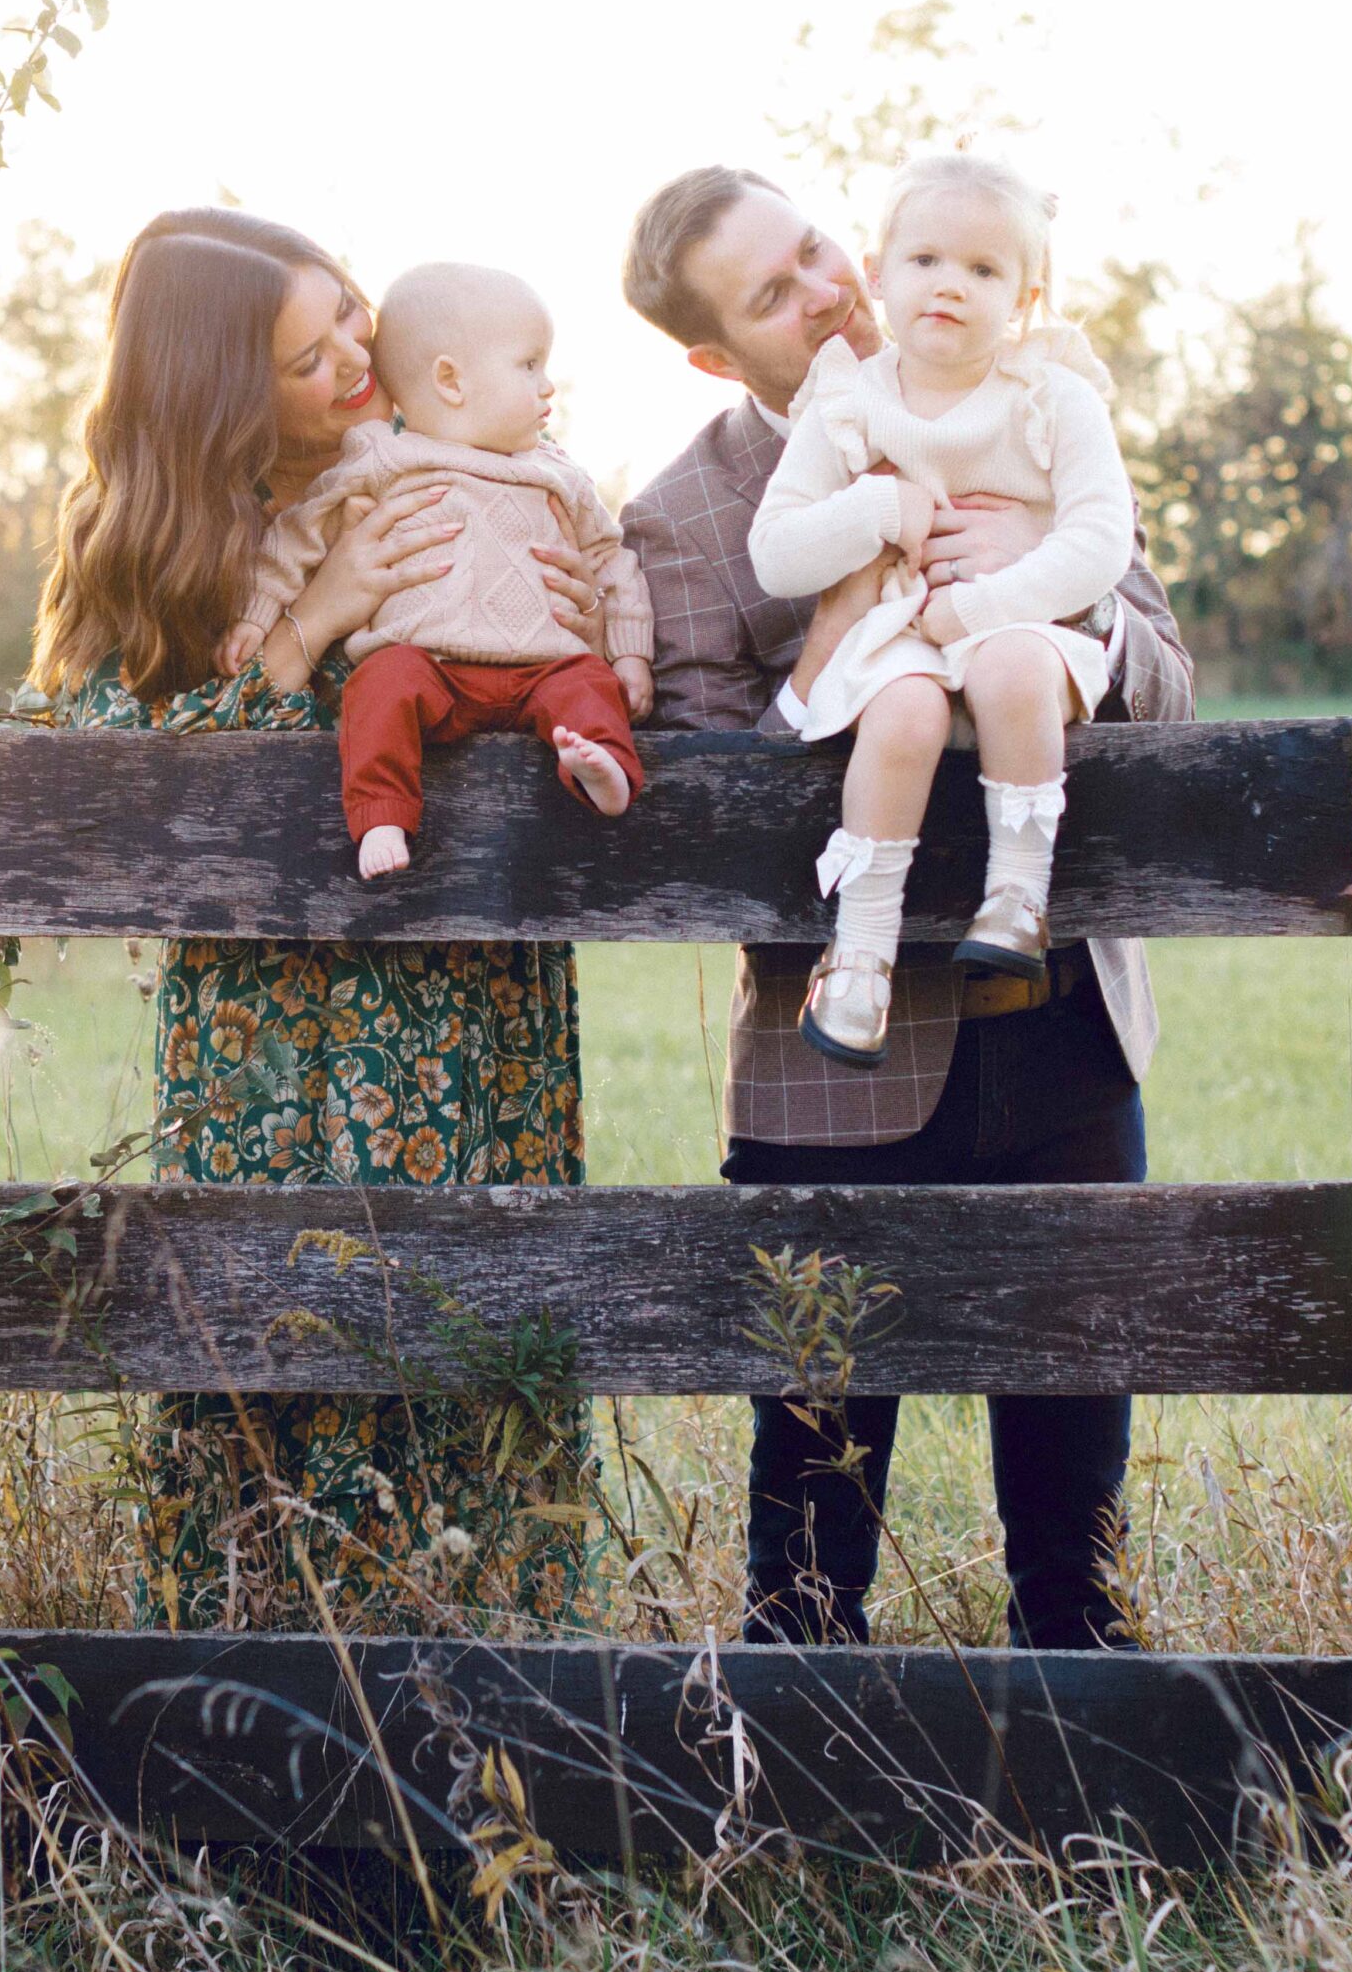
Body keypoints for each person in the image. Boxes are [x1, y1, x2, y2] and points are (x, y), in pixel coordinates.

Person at [618, 166, 1195, 1652]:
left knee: (1075, 1451)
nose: (828, 291)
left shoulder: (1040, 383)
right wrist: (839, 643)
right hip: (836, 1050)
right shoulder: (684, 519)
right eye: (771, 292)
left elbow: (1170, 678)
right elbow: (707, 824)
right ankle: (802, 1779)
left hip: (1061, 1008)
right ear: (709, 352)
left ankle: (1087, 1762)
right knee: (813, 1470)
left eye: (816, 248)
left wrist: (1052, 587)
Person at [30, 207, 595, 1634]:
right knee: (270, 1316)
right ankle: (253, 1713)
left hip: (466, 991)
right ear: (222, 390)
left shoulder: (471, 467)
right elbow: (106, 767)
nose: (357, 354)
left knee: (475, 1309)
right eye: (307, 354)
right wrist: (312, 622)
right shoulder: (159, 542)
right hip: (269, 1025)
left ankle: (501, 1694)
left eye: (348, 313)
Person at [747, 155, 1135, 1062]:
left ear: (1026, 298)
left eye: (984, 270)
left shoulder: (1054, 396)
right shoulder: (848, 401)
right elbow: (776, 553)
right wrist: (879, 508)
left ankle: (1017, 899)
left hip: (1022, 629)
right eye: (925, 261)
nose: (950, 286)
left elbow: (1099, 542)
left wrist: (983, 607)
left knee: (1008, 666)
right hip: (900, 637)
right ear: (877, 276)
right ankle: (862, 954)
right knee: (905, 708)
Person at [232, 261, 654, 878]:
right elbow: (298, 535)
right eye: (529, 364)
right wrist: (259, 611)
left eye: (349, 310)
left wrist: (627, 655)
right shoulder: (385, 459)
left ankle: (603, 771)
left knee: (586, 686)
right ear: (451, 381)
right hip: (434, 670)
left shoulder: (555, 468)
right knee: (378, 686)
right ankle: (381, 812)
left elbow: (610, 560)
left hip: (540, 669)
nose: (547, 387)